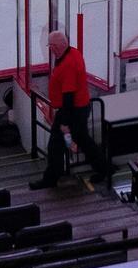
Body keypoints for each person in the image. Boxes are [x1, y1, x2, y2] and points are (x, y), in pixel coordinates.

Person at [37, 30, 109, 188]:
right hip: (80, 108)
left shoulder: (68, 65)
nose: (51, 49)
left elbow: (68, 97)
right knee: (84, 140)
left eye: (52, 45)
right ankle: (104, 169)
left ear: (61, 45)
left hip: (71, 111)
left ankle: (50, 179)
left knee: (55, 145)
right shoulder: (74, 53)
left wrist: (63, 122)